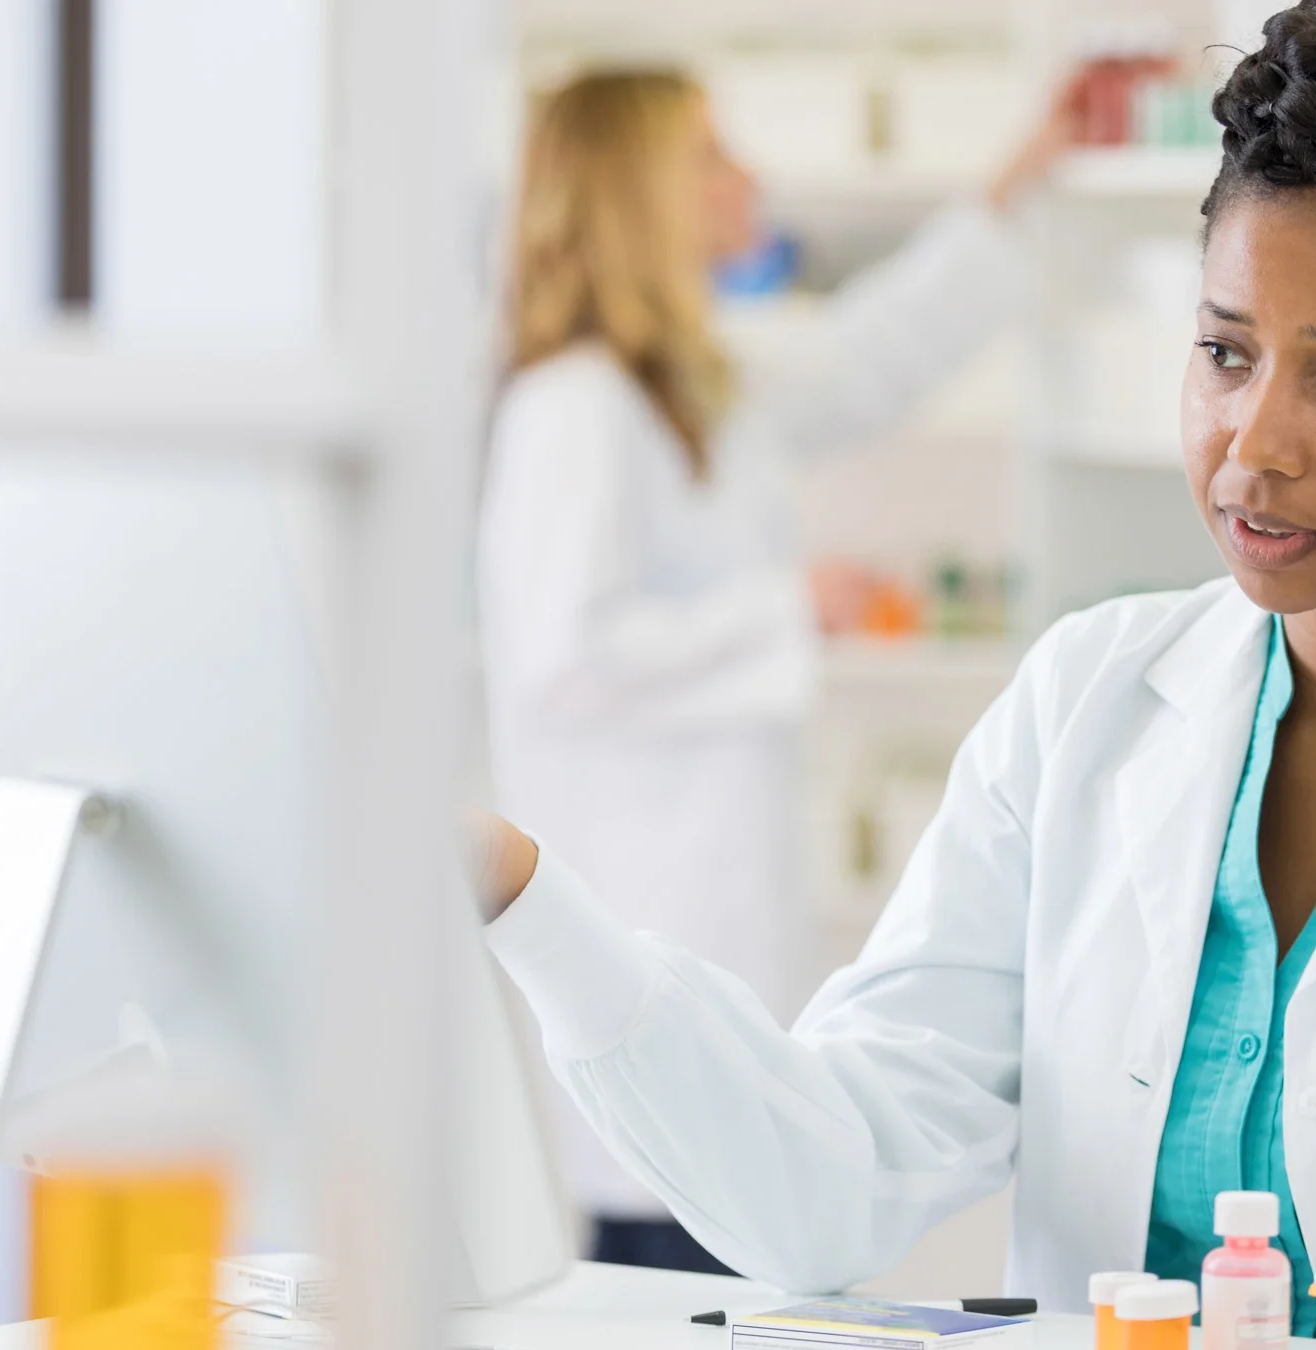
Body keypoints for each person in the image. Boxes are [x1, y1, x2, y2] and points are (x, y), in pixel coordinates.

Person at [474, 3, 1316, 1345]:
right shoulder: (1090, 700)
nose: (1253, 448)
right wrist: (529, 902)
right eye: (1225, 351)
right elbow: (822, 1192)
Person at [478, 69, 1088, 1273]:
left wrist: (1020, 178)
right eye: (712, 155)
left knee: (727, 1193)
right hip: (639, 892)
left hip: (705, 904)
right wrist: (785, 610)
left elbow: (872, 354)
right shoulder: (574, 406)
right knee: (674, 1219)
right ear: (638, 193)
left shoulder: (692, 386)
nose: (746, 177)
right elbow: (562, 655)